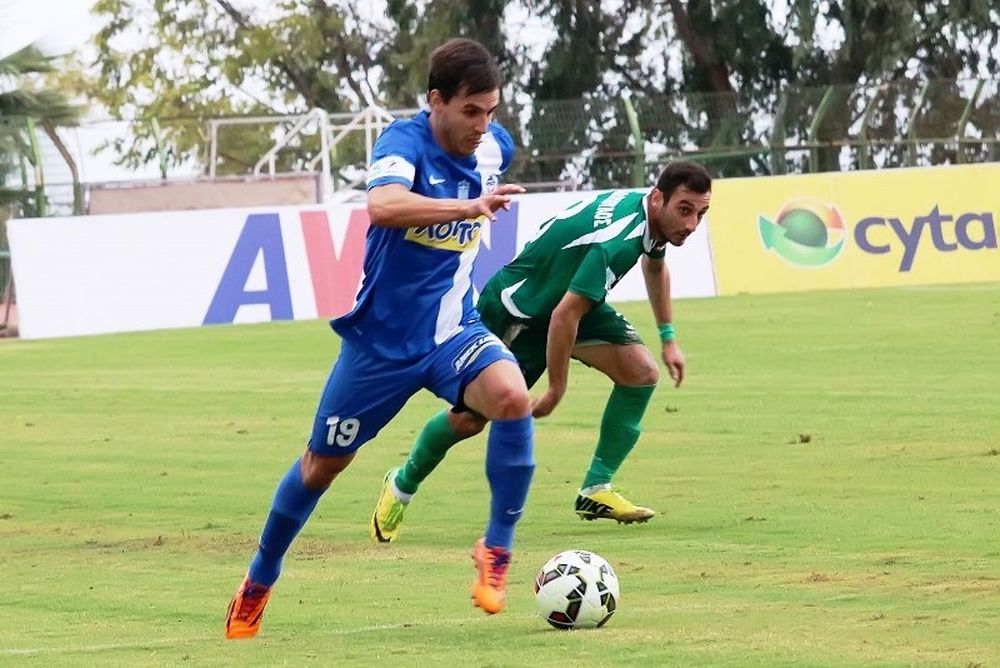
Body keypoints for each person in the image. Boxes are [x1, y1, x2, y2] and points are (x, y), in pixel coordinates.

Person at [224, 38, 536, 639]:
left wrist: (476, 198)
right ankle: (260, 578)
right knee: (322, 466)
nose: (483, 125)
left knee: (513, 398)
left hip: (452, 332)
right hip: (379, 346)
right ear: (436, 101)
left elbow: (481, 173)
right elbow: (384, 206)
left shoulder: (496, 147)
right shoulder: (402, 141)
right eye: (471, 111)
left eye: (491, 111)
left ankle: (495, 551)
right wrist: (469, 206)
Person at [370, 160, 711, 543]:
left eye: (701, 213)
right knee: (470, 420)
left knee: (640, 374)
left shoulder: (647, 214)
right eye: (685, 210)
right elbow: (564, 317)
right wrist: (555, 390)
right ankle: (401, 484)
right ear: (658, 198)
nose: (692, 225)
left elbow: (654, 265)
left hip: (571, 300)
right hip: (520, 312)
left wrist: (668, 338)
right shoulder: (617, 241)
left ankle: (596, 490)